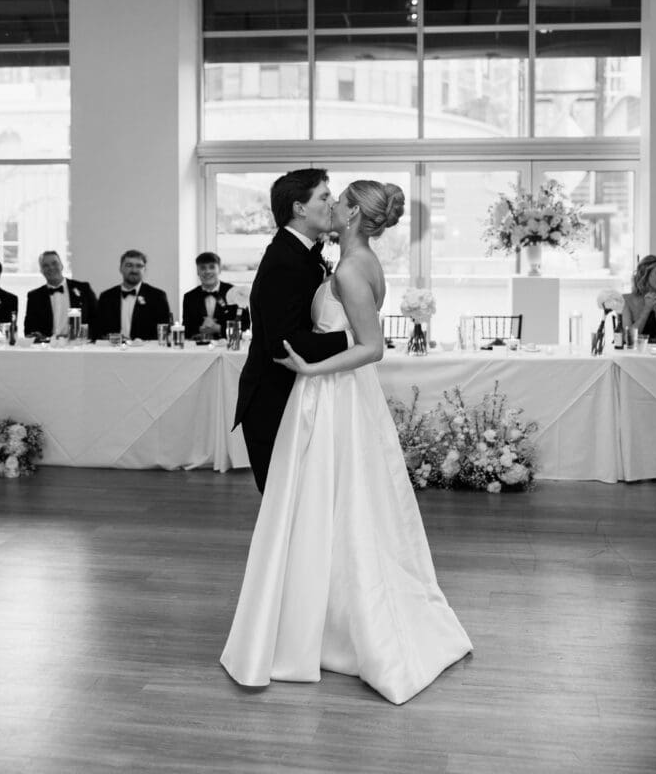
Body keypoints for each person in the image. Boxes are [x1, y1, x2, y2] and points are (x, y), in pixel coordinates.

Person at [221, 180, 472, 705]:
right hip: (311, 398)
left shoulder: (351, 266)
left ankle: (325, 624)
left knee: (324, 510)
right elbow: (290, 335)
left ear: (353, 213)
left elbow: (371, 345)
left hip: (328, 395)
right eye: (324, 198)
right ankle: (317, 616)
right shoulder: (328, 259)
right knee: (323, 510)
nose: (330, 204)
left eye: (337, 200)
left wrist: (315, 364)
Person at [233, 169, 351, 493]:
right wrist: (352, 340)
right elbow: (285, 344)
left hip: (297, 392)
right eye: (324, 196)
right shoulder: (284, 261)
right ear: (300, 208)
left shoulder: (302, 253)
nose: (333, 203)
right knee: (283, 503)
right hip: (273, 401)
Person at [94, 249, 171, 341]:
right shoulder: (106, 297)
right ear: (121, 268)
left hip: (145, 351)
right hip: (113, 350)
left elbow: (164, 332)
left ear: (145, 270)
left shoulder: (157, 296)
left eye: (139, 266)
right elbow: (98, 330)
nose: (134, 270)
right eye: (129, 265)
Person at [24, 251, 97, 339]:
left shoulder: (83, 288)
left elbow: (97, 319)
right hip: (46, 348)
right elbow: (29, 329)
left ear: (62, 265)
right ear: (41, 271)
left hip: (78, 346)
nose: (51, 268)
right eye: (45, 266)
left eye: (54, 263)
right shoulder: (34, 296)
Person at [182, 251, 250, 341]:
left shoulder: (235, 292)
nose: (207, 271)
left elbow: (245, 326)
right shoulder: (189, 297)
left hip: (228, 348)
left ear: (219, 269)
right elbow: (186, 328)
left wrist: (218, 328)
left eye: (212, 267)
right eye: (203, 268)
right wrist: (200, 329)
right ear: (197, 271)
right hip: (199, 349)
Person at [622, 254, 656, 345]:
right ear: (645, 274)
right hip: (634, 356)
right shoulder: (627, 300)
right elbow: (629, 339)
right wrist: (647, 309)